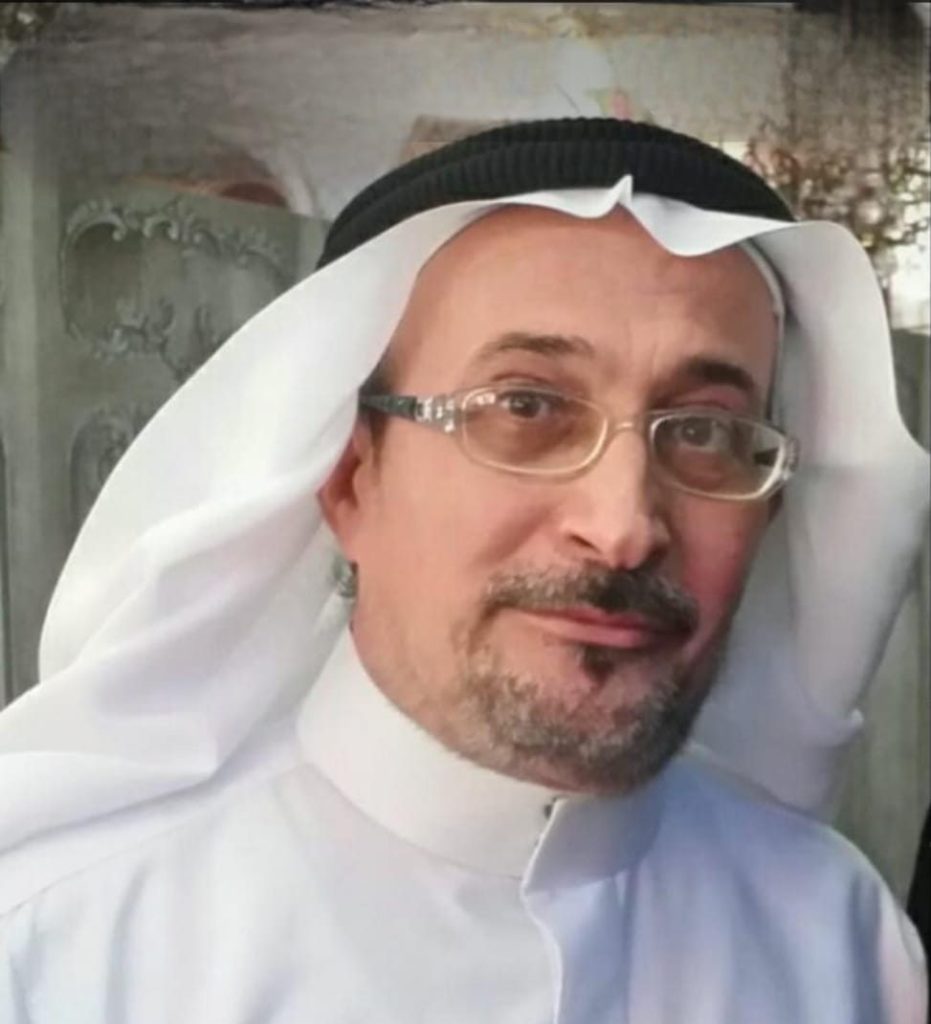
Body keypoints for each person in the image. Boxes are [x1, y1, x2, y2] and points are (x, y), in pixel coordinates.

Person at [0, 119, 927, 1022]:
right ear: (350, 478)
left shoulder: (840, 938)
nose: (622, 529)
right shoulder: (60, 947)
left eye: (704, 432)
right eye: (524, 408)